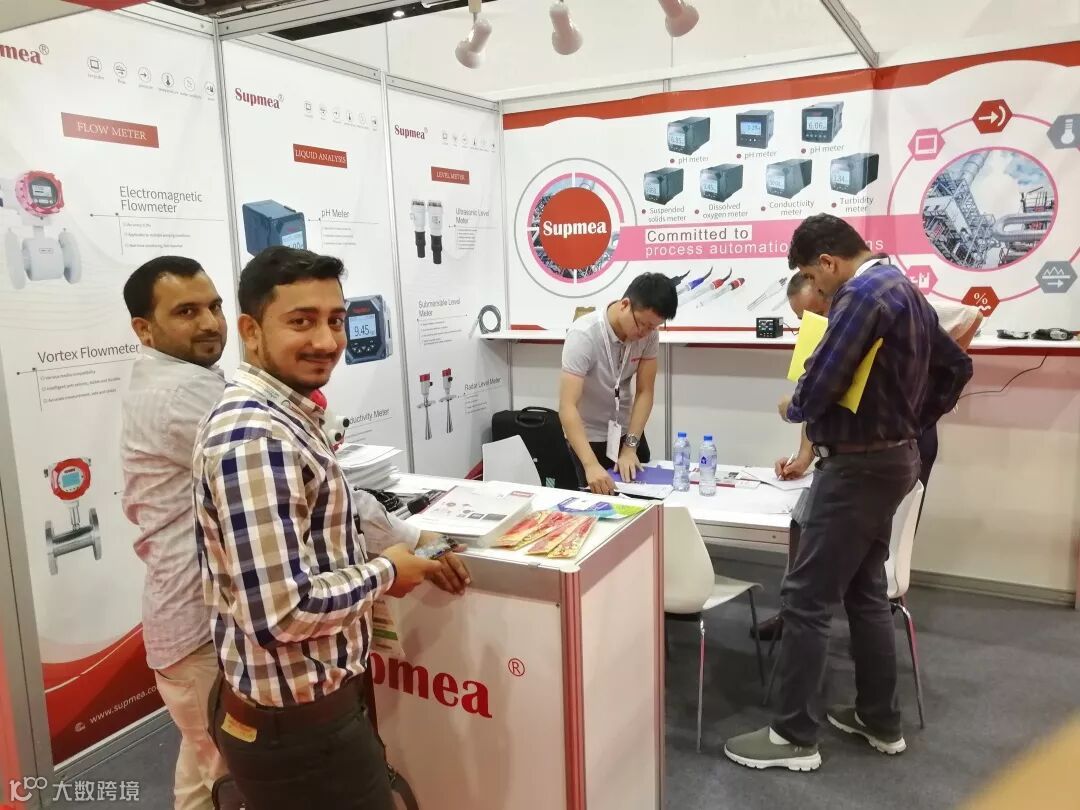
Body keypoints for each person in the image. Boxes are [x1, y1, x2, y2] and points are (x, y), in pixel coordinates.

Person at [194, 246, 455, 810]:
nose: (327, 340)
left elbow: (328, 520)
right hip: (299, 734)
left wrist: (407, 543)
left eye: (335, 320)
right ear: (251, 331)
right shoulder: (256, 439)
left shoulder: (288, 415)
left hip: (312, 712)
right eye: (301, 321)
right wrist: (386, 573)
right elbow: (283, 612)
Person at [724, 214, 973, 771]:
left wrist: (793, 406)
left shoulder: (859, 295)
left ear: (828, 262)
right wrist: (912, 423)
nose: (818, 289)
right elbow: (957, 366)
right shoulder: (903, 288)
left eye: (815, 278)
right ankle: (879, 719)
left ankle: (793, 737)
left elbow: (820, 385)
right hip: (892, 461)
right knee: (865, 592)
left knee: (805, 599)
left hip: (857, 468)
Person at [753, 269, 981, 641]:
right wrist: (805, 455)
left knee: (863, 567)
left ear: (827, 285)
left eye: (817, 310)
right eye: (802, 318)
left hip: (891, 446)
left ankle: (833, 614)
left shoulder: (886, 303)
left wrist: (921, 403)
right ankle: (805, 615)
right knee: (840, 559)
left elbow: (967, 326)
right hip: (854, 447)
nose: (814, 321)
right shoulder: (832, 325)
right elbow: (818, 398)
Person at [120, 256, 230, 810]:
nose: (210, 323)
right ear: (145, 329)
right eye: (186, 312)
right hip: (198, 628)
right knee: (236, 777)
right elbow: (286, 475)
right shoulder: (184, 393)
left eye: (214, 306)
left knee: (202, 765)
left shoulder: (173, 380)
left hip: (183, 623)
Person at [559, 273, 678, 494]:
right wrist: (590, 465)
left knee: (648, 499)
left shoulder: (649, 336)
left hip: (627, 434)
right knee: (600, 505)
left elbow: (645, 392)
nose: (645, 333)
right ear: (625, 305)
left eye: (653, 327)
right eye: (642, 324)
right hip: (589, 439)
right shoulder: (583, 335)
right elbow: (567, 406)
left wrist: (630, 447)